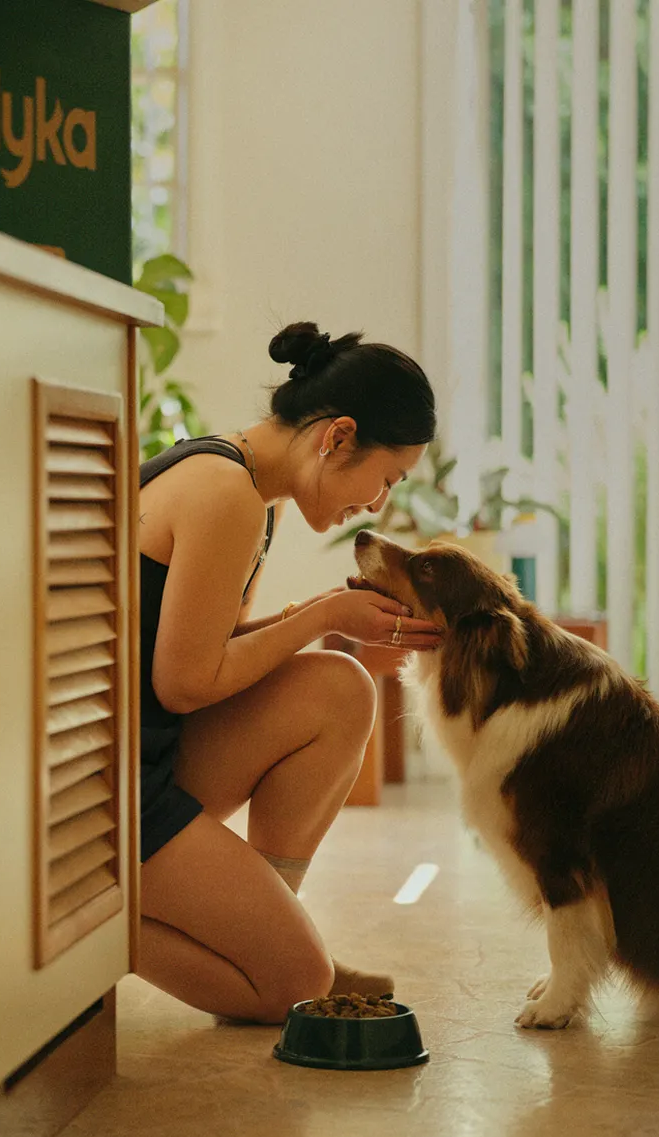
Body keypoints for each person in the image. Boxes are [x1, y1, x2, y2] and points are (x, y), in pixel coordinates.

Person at [135, 320, 444, 1023]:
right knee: (298, 988)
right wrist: (322, 616)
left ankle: (264, 933)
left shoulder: (248, 489)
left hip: (151, 751)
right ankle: (107, 925)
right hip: (111, 790)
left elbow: (200, 648)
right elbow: (183, 683)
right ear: (338, 437)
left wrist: (323, 615)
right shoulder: (224, 494)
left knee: (337, 688)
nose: (377, 505)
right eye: (386, 479)